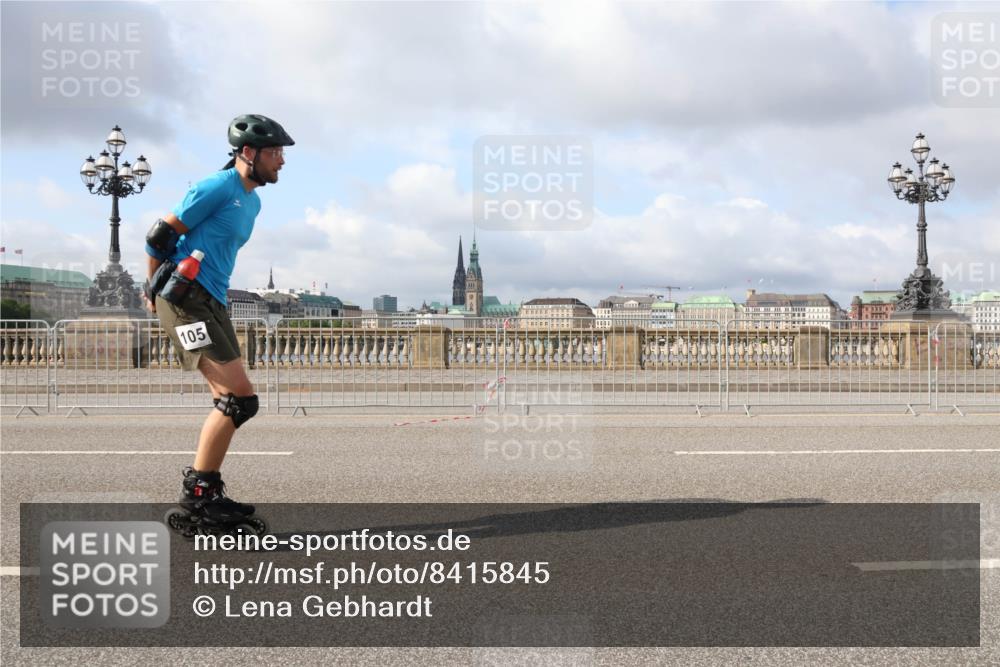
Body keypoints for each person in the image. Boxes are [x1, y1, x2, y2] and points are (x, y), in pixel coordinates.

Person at [143, 114, 293, 534]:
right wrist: (154, 292)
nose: (282, 161)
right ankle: (199, 496)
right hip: (185, 302)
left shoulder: (253, 200)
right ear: (248, 153)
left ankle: (205, 493)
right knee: (239, 399)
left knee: (233, 402)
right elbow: (159, 237)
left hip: (212, 302)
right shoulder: (215, 187)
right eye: (276, 153)